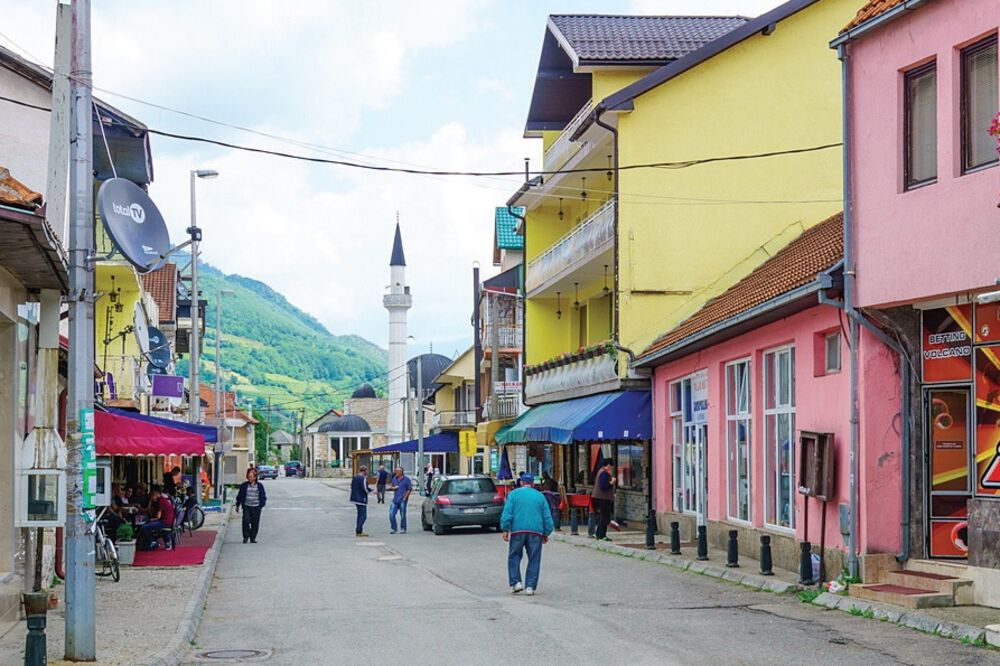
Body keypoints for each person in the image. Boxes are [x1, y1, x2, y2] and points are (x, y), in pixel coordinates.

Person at [501, 474, 554, 596]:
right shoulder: (540, 497)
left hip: (517, 530)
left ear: (521, 483)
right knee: (534, 558)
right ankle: (530, 586)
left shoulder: (513, 495)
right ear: (533, 484)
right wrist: (546, 533)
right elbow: (547, 517)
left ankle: (516, 583)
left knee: (514, 556)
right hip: (535, 532)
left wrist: (505, 529)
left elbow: (507, 513)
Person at [235, 467, 267, 544]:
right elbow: (240, 496)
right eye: (248, 477)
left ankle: (253, 537)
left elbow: (263, 496)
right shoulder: (244, 485)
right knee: (246, 520)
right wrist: (237, 505)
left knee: (255, 523)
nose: (249, 478)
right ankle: (246, 536)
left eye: (251, 477)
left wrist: (261, 505)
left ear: (255, 477)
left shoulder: (259, 486)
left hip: (256, 507)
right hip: (247, 506)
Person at [591, 459, 616, 541]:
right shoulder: (604, 473)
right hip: (603, 498)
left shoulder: (601, 471)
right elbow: (603, 486)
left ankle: (599, 534)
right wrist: (611, 482)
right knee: (605, 516)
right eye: (611, 466)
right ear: (608, 465)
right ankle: (601, 535)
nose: (611, 468)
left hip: (601, 497)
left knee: (604, 516)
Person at [388, 467, 412, 534]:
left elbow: (409, 489)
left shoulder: (406, 479)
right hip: (395, 500)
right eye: (396, 471)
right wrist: (393, 488)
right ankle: (394, 528)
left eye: (398, 471)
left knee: (402, 515)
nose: (396, 472)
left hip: (402, 499)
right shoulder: (394, 478)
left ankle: (403, 528)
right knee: (391, 514)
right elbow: (391, 486)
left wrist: (405, 498)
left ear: (401, 472)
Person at [350, 465, 371, 537]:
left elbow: (351, 486)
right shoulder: (363, 479)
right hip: (361, 499)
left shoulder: (355, 477)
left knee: (359, 515)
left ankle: (359, 530)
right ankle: (359, 530)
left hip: (354, 498)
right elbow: (365, 488)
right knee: (363, 516)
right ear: (365, 471)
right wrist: (370, 491)